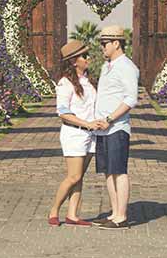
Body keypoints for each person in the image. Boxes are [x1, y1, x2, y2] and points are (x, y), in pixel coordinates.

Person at [91, 25, 139, 230]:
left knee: (119, 171)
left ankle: (122, 216)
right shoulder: (107, 66)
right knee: (108, 172)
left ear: (116, 43)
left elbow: (131, 99)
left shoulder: (127, 67)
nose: (102, 47)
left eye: (104, 44)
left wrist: (110, 118)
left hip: (117, 127)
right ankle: (114, 212)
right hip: (103, 128)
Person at [48, 39, 98, 226]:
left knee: (79, 177)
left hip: (90, 135)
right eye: (84, 56)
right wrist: (87, 123)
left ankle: (72, 215)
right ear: (73, 61)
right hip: (74, 133)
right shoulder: (65, 83)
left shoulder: (88, 80)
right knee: (73, 176)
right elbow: (63, 112)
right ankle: (54, 210)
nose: (88, 58)